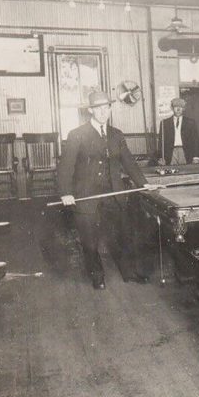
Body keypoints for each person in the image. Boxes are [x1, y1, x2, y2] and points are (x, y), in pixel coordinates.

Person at [58, 90, 160, 289]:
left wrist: (143, 183)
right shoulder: (77, 135)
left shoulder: (116, 134)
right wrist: (66, 192)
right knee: (89, 240)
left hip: (114, 194)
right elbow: (66, 166)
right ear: (90, 110)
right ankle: (97, 275)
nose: (104, 112)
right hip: (86, 195)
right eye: (99, 108)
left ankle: (128, 272)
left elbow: (128, 161)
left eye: (107, 107)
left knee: (122, 234)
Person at [158, 96, 199, 165]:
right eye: (176, 107)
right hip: (170, 153)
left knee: (186, 172)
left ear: (184, 109)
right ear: (172, 108)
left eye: (181, 107)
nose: (178, 109)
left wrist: (195, 157)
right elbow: (161, 142)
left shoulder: (191, 122)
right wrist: (161, 157)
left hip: (185, 152)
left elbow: (195, 140)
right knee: (171, 172)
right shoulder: (164, 123)